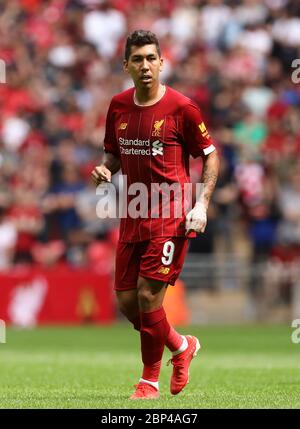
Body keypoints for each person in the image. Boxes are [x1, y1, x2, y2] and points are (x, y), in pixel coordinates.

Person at [91, 30, 219, 400]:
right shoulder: (117, 106)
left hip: (171, 213)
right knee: (128, 303)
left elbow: (210, 154)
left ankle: (148, 381)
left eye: (151, 58)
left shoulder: (182, 108)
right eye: (138, 59)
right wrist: (103, 169)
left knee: (149, 297)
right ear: (126, 65)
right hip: (133, 212)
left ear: (162, 63)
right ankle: (181, 346)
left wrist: (202, 203)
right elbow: (113, 154)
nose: (145, 66)